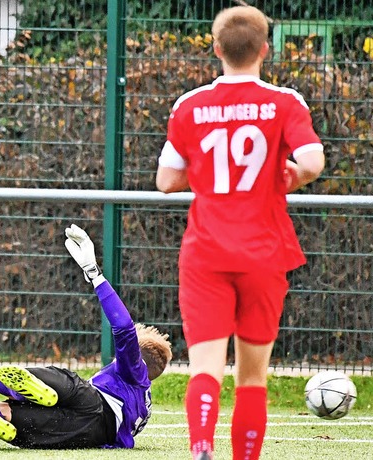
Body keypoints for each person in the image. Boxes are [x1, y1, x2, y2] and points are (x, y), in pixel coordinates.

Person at [155, 6, 325, 460]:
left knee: (204, 367)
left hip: (206, 253)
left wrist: (209, 173)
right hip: (265, 252)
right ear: (265, 50)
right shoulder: (285, 102)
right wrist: (287, 175)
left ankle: (201, 447)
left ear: (216, 49)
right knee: (252, 376)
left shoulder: (189, 105)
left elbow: (166, 180)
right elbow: (311, 161)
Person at [0, 224, 173, 449]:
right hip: (89, 435)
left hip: (94, 404)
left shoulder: (135, 371)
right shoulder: (143, 405)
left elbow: (124, 327)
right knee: (20, 421)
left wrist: (94, 274)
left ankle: (17, 390)